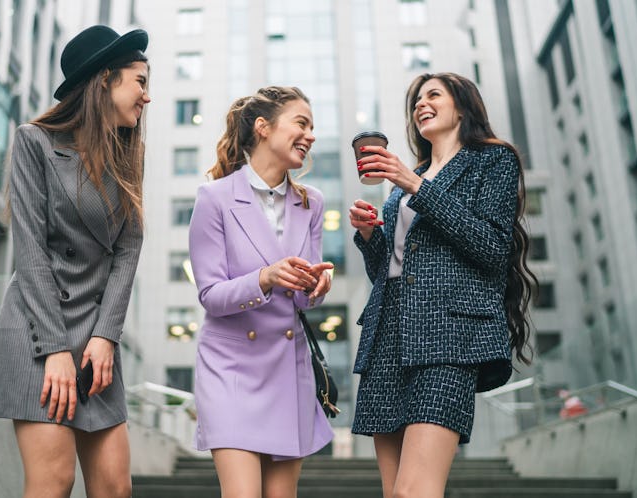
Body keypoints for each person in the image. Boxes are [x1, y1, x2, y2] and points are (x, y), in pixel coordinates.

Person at [0, 25, 151, 498]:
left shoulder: (129, 152)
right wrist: (55, 348)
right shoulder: (34, 142)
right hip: (40, 331)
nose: (146, 97)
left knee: (116, 487)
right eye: (140, 81)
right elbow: (30, 251)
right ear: (104, 81)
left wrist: (105, 336)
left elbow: (128, 248)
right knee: (54, 481)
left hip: (97, 337)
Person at [348, 72, 536, 498]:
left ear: (463, 107)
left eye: (433, 95)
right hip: (388, 337)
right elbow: (388, 271)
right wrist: (368, 236)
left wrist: (418, 187)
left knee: (415, 491)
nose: (420, 104)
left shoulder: (493, 161)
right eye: (416, 99)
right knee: (394, 493)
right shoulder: (406, 178)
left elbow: (490, 246)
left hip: (450, 335)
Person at [188, 86, 335, 498]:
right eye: (302, 123)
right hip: (231, 370)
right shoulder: (214, 198)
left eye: (313, 127)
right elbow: (211, 295)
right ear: (263, 127)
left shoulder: (312, 203)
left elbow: (304, 298)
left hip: (288, 370)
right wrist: (265, 278)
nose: (311, 135)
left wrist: (318, 285)